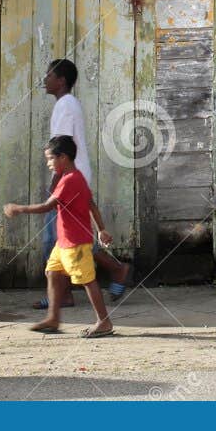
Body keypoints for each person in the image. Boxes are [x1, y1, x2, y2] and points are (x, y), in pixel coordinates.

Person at [34, 58, 133, 309]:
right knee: (64, 237)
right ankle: (66, 292)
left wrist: (57, 183)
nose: (44, 79)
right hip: (72, 175)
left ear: (61, 80)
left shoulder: (66, 105)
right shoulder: (65, 104)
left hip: (71, 177)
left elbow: (64, 147)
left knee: (61, 237)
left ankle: (114, 270)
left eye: (49, 75)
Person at [5, 136, 115, 338]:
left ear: (63, 157)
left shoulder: (70, 180)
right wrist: (101, 229)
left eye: (50, 158)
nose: (48, 164)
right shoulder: (74, 177)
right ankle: (53, 318)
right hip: (64, 241)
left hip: (75, 243)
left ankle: (104, 322)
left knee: (87, 280)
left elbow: (47, 206)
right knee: (53, 273)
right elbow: (91, 204)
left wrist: (18, 208)